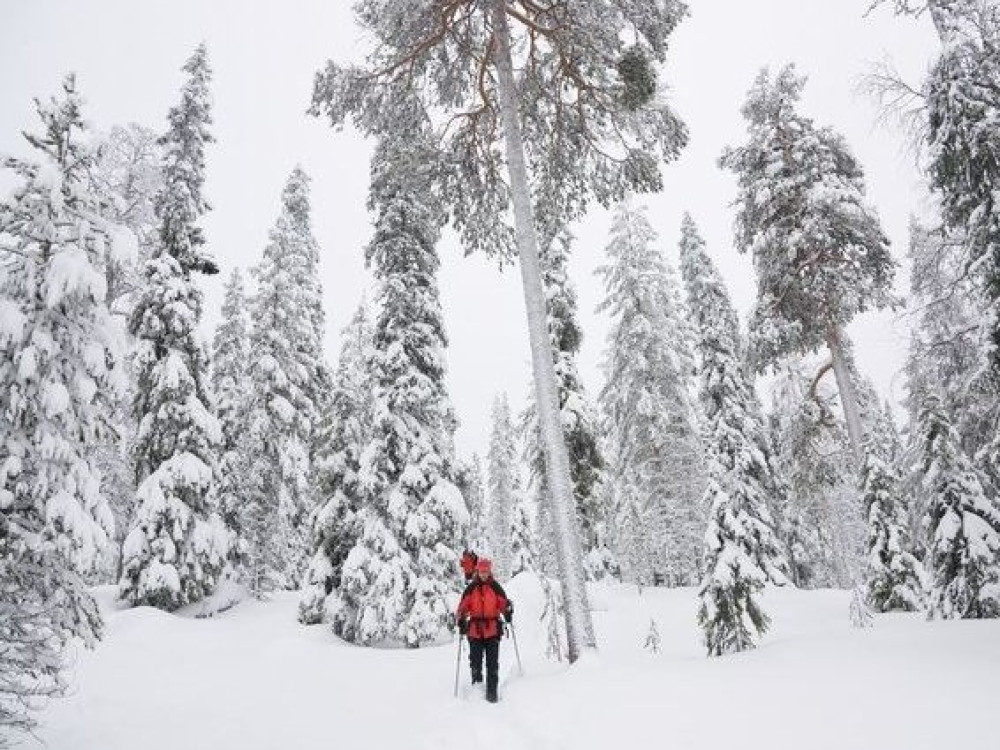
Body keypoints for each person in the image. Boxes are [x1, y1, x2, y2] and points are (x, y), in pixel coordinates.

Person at [455, 558, 513, 703]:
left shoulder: (496, 587)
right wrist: (461, 619)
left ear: (489, 571)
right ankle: (477, 692)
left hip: (492, 630)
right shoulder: (471, 589)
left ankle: (492, 695)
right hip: (474, 631)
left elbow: (503, 604)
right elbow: (462, 607)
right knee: (475, 662)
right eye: (481, 571)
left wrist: (507, 610)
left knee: (492, 664)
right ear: (477, 571)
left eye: (486, 571)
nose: (484, 574)